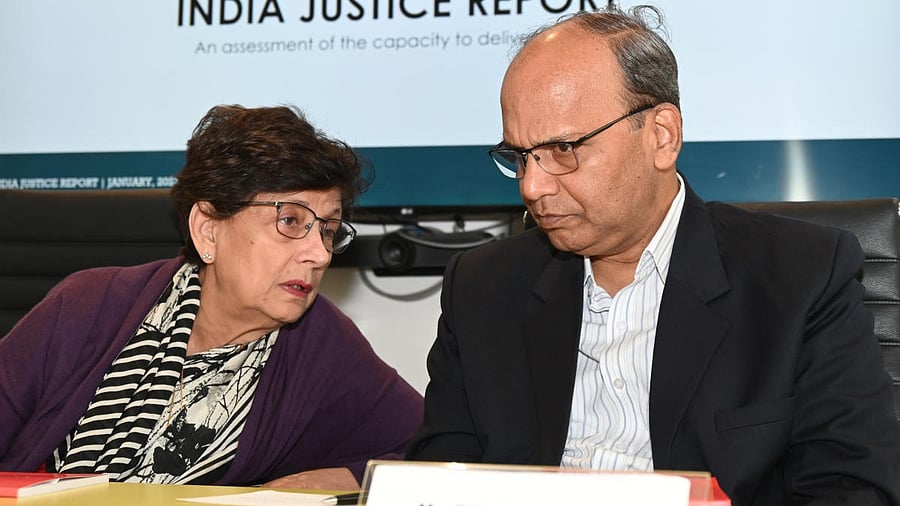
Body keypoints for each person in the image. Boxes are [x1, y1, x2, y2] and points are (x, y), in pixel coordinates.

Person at [406, 5, 900, 505]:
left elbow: (851, 486)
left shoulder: (801, 275)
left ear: (662, 135)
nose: (532, 186)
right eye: (520, 157)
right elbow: (439, 480)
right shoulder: (481, 287)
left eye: (563, 149)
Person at [0, 104, 423, 490]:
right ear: (207, 230)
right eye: (291, 221)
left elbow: (430, 449)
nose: (319, 253)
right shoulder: (89, 304)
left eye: (328, 231)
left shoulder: (322, 345)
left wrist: (337, 480)